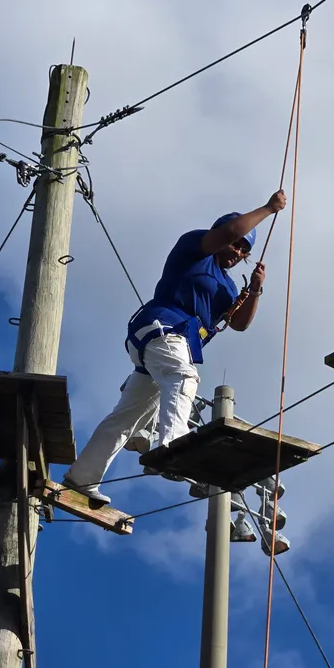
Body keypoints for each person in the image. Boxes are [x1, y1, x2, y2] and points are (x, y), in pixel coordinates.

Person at [63, 189, 287, 503]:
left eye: (244, 250)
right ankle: (171, 446)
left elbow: (239, 323)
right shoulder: (196, 248)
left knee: (129, 417)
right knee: (184, 377)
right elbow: (232, 230)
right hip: (162, 328)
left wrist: (255, 291)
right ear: (220, 236)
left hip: (166, 342)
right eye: (236, 244)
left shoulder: (227, 284)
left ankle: (82, 477)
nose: (238, 250)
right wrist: (268, 208)